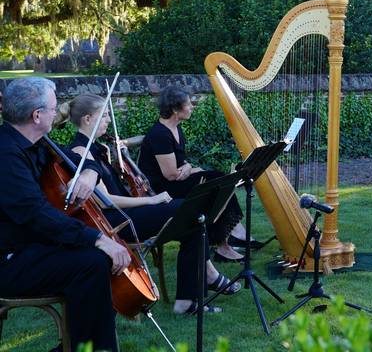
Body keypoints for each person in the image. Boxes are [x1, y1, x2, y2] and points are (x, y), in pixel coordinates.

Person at [59, 94, 240, 315]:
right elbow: (105, 202)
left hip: (128, 213)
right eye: (104, 115)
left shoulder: (97, 147)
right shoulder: (80, 151)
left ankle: (188, 299)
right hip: (116, 221)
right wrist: (151, 200)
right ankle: (196, 290)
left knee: (193, 219)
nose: (108, 119)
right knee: (190, 210)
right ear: (87, 119)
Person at [0, 77, 128, 352]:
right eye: (53, 107)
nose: (58, 112)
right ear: (37, 116)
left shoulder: (36, 144)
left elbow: (81, 160)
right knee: (92, 261)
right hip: (8, 260)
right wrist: (97, 238)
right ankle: (88, 347)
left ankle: (84, 346)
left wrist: (89, 172)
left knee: (93, 261)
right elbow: (36, 214)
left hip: (29, 247)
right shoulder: (6, 155)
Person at [137, 86, 248, 261]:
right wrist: (189, 167)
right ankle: (226, 240)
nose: (191, 107)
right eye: (188, 104)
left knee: (219, 181)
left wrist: (189, 167)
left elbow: (181, 167)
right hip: (164, 190)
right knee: (217, 182)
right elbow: (172, 175)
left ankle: (224, 239)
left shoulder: (176, 128)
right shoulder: (160, 134)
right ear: (175, 109)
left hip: (177, 181)